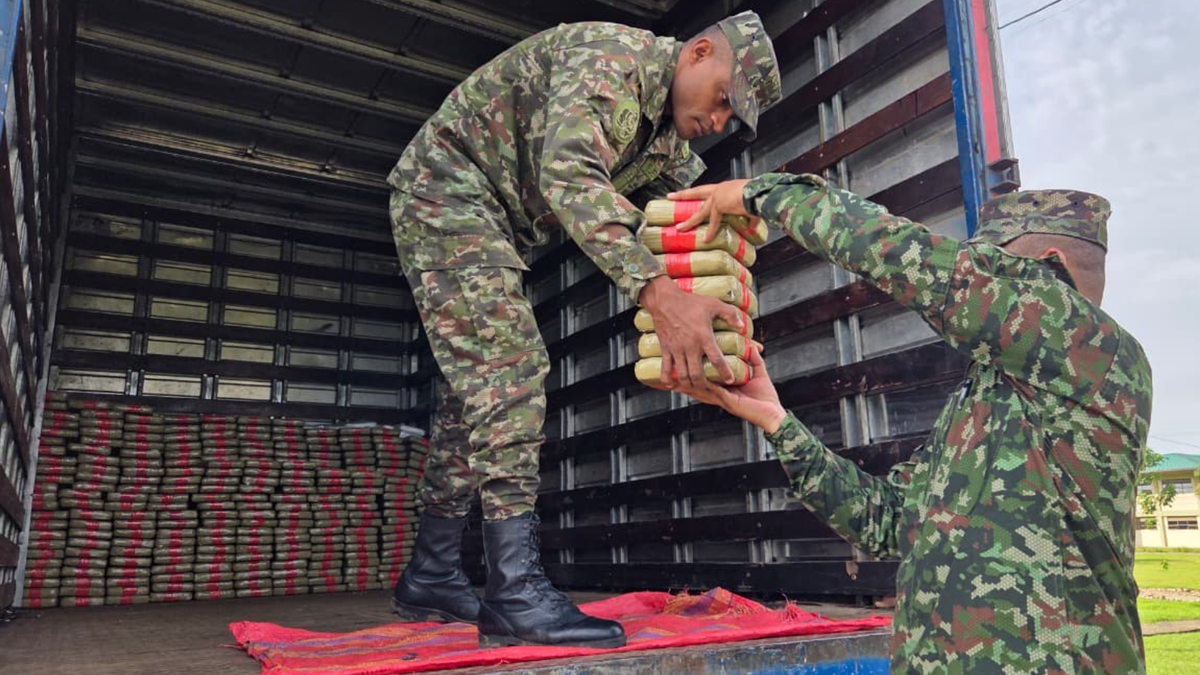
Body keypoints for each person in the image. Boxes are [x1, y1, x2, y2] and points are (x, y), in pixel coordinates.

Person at [386, 12, 782, 649]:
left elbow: (689, 212)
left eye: (731, 119)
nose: (718, 122)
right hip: (447, 190)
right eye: (723, 101)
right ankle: (513, 592)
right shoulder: (612, 63)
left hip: (493, 218)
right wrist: (659, 296)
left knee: (475, 399)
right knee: (511, 370)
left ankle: (431, 572)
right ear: (699, 52)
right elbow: (568, 177)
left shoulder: (661, 136)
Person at [664, 174, 1153, 674]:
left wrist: (763, 194)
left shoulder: (1090, 341)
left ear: (1055, 265)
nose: (980, 284)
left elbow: (918, 264)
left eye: (994, 268)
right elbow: (889, 522)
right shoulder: (993, 398)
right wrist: (776, 420)